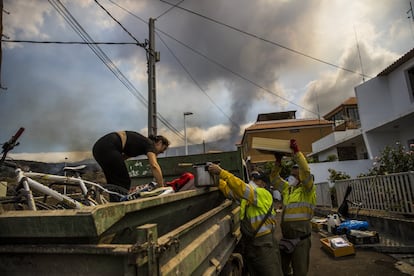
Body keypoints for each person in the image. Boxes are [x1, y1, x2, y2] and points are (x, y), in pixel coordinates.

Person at [208, 164, 283, 276]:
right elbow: (230, 192)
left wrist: (221, 173)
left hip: (264, 245)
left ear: (263, 184)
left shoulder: (263, 194)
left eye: (256, 180)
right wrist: (217, 181)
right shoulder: (249, 198)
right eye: (252, 179)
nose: (252, 182)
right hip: (252, 245)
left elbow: (241, 188)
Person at [270, 139, 316, 276]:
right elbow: (273, 178)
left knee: (299, 271)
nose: (293, 176)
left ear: (301, 177)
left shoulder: (308, 190)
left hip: (301, 240)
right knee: (283, 269)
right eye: (292, 174)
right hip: (286, 238)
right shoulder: (287, 189)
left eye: (296, 175)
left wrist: (297, 152)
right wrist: (278, 162)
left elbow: (306, 170)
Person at [92, 131, 170, 192]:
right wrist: (161, 187)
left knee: (114, 183)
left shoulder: (139, 145)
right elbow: (154, 165)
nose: (162, 152)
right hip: (108, 147)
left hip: (98, 148)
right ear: (159, 143)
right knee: (124, 182)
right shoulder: (150, 144)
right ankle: (120, 205)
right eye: (163, 148)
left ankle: (114, 203)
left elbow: (121, 159)